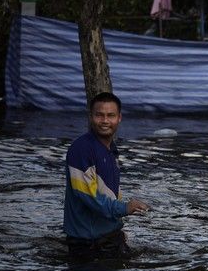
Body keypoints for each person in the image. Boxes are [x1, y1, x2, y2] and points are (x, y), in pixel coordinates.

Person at [63, 92, 149, 258]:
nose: (105, 121)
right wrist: (124, 208)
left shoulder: (111, 150)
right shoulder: (81, 149)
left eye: (110, 115)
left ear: (119, 118)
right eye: (99, 115)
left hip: (109, 236)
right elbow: (89, 197)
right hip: (88, 243)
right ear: (90, 117)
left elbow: (110, 192)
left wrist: (118, 224)